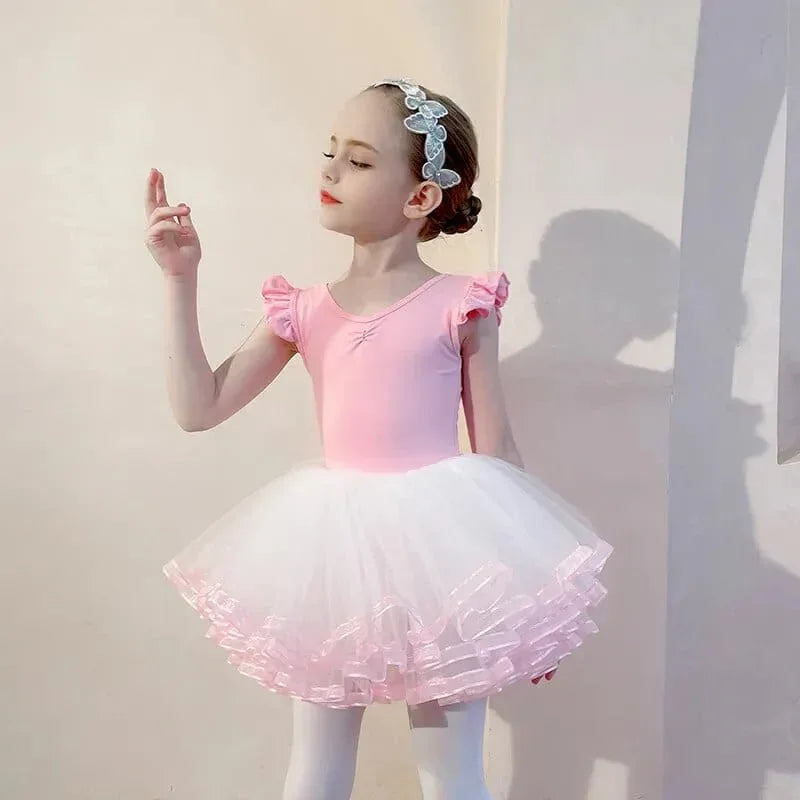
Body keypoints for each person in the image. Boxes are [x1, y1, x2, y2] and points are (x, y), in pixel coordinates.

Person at [144, 78, 613, 800]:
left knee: (453, 776)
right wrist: (181, 279)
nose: (331, 169)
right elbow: (197, 408)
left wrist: (526, 605)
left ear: (420, 196)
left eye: (359, 161)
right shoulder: (301, 310)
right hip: (331, 553)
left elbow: (496, 452)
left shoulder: (462, 304)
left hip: (445, 555)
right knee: (314, 772)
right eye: (331, 151)